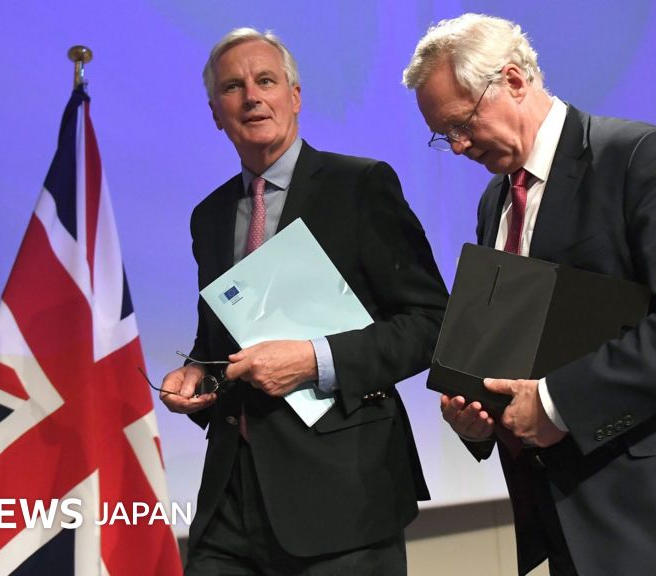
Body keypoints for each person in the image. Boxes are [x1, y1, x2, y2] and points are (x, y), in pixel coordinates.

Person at [403, 13, 656, 576]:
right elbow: (522, 345)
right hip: (561, 505)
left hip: (650, 499)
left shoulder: (638, 157)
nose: (458, 146)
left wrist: (556, 404)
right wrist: (480, 414)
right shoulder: (495, 200)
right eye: (443, 135)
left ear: (513, 80)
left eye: (462, 123)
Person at [159, 27, 449, 575]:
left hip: (343, 500)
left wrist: (315, 360)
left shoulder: (360, 186)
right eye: (233, 87)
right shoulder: (209, 216)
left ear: (294, 96)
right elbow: (220, 336)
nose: (252, 96)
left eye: (266, 81)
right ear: (215, 112)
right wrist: (198, 372)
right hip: (229, 500)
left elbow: (431, 324)